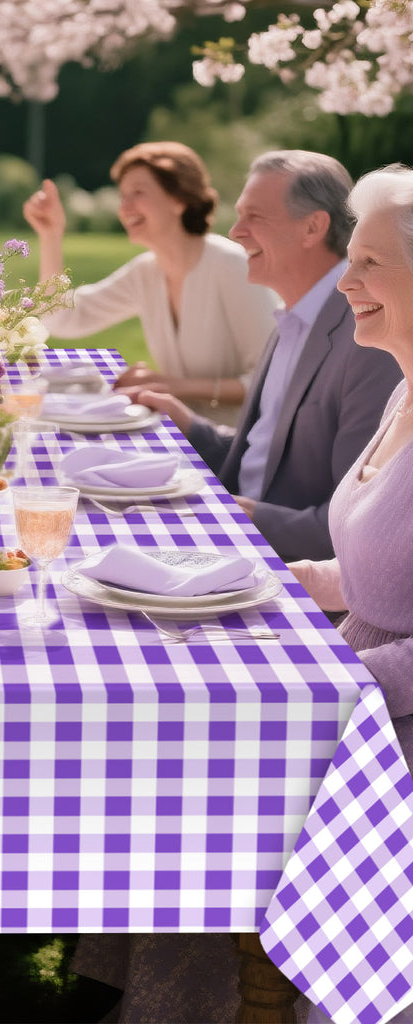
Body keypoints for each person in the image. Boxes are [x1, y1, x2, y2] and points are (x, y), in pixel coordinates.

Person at [131, 150, 402, 563]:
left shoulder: (371, 338)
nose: (235, 232)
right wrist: (186, 422)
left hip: (281, 567)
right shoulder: (294, 316)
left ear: (312, 227)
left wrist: (235, 517)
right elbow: (262, 458)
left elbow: (352, 524)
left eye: (254, 217)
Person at [286, 162, 413, 1024]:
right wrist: (292, 583)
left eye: (370, 263)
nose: (344, 280)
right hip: (360, 698)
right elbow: (387, 575)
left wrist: (337, 678)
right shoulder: (404, 390)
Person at [23, 141, 279, 426]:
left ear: (179, 199)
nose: (125, 207)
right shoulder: (146, 272)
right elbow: (63, 319)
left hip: (242, 441)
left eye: (138, 192)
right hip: (184, 431)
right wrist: (51, 235)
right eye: (122, 196)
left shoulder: (232, 266)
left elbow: (274, 380)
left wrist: (172, 385)